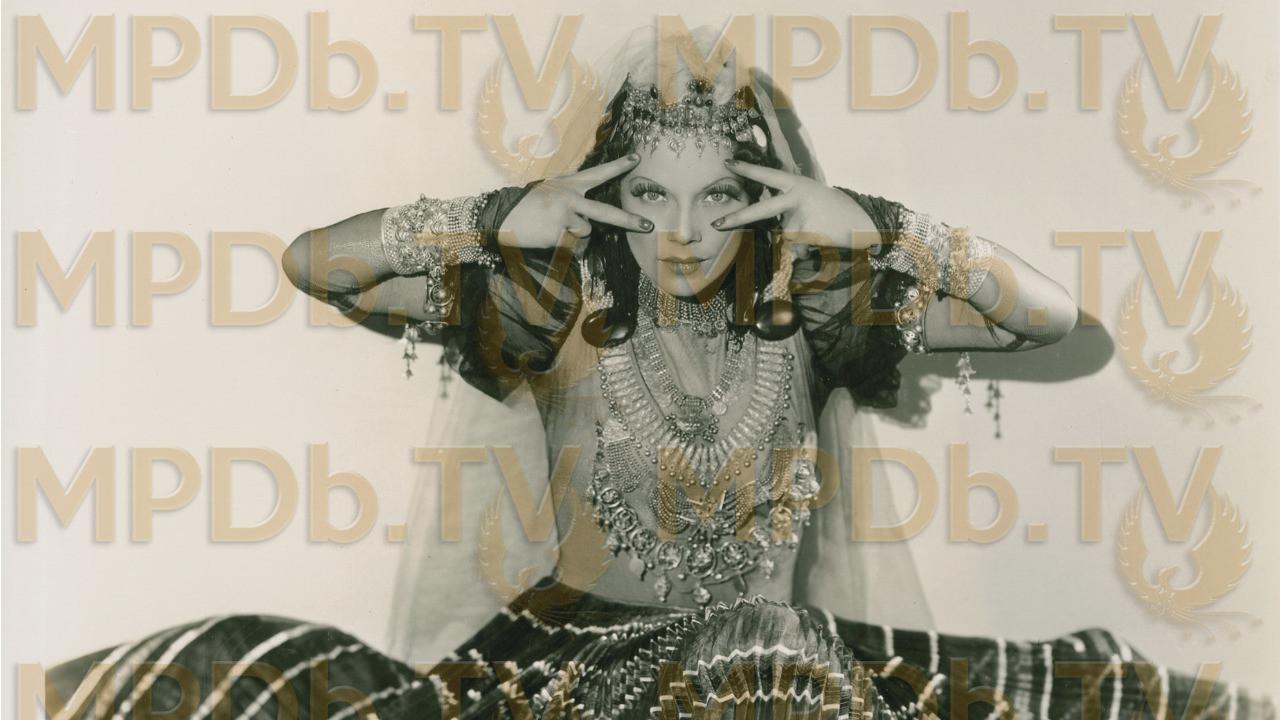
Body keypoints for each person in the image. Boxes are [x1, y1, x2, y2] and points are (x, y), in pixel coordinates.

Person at [43, 25, 1271, 720]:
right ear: (606, 194)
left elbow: (1046, 321)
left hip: (784, 668)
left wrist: (880, 223)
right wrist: (496, 214)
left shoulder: (815, 312)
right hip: (563, 672)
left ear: (763, 198)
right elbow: (314, 264)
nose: (680, 232)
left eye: (717, 199)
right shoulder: (551, 303)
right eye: (648, 197)